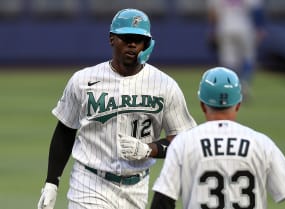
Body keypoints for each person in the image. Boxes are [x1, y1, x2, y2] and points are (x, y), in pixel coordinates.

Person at [37, 8, 196, 209]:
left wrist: (150, 149)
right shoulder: (83, 80)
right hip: (89, 183)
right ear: (112, 39)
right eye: (126, 37)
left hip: (136, 188)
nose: (132, 44)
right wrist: (52, 181)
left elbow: (183, 140)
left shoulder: (165, 86)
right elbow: (65, 131)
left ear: (147, 44)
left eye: (139, 39)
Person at [150, 67, 285, 209]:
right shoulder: (261, 143)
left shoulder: (183, 143)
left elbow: (162, 201)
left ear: (203, 105)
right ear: (238, 105)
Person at [206, 0, 267, 97]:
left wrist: (212, 30)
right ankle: (244, 87)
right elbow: (257, 10)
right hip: (244, 28)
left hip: (225, 28)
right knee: (248, 58)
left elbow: (212, 14)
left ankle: (230, 89)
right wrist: (260, 28)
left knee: (228, 62)